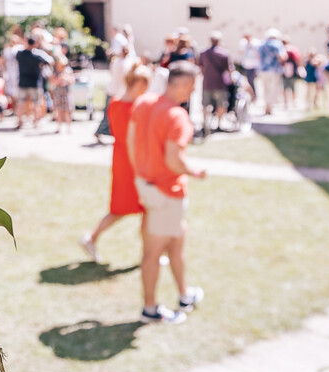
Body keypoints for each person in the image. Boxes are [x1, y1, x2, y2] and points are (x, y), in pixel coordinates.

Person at [130, 62, 207, 324]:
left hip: (149, 187)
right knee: (153, 254)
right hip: (166, 192)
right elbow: (174, 160)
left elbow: (130, 140)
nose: (192, 92)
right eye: (192, 87)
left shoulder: (144, 103)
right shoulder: (177, 116)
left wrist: (141, 173)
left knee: (177, 243)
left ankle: (184, 294)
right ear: (184, 85)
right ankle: (150, 309)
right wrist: (195, 171)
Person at [82, 65, 151, 261]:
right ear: (140, 84)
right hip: (134, 161)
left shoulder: (115, 103)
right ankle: (148, 253)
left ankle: (92, 238)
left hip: (120, 158)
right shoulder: (137, 107)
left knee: (128, 207)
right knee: (141, 207)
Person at [197, 32, 233, 135]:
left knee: (205, 104)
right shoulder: (224, 54)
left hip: (207, 82)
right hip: (219, 83)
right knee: (221, 104)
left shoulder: (203, 53)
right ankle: (219, 124)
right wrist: (231, 79)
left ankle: (204, 123)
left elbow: (200, 67)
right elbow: (228, 69)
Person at [14, 34, 52, 129]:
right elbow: (48, 61)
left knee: (20, 103)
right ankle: (36, 121)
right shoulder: (37, 56)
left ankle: (20, 121)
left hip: (22, 82)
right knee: (36, 104)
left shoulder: (20, 54)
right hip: (34, 83)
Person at [258, 29, 285, 115]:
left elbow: (258, 57)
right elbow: (282, 56)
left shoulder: (262, 44)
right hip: (274, 70)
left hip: (263, 70)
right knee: (273, 89)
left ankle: (266, 106)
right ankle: (270, 107)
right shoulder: (278, 44)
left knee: (265, 89)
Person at [48, 57, 74, 132]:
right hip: (58, 94)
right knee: (58, 111)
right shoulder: (55, 72)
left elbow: (72, 80)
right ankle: (59, 127)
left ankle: (69, 128)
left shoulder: (68, 71)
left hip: (66, 94)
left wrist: (66, 78)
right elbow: (53, 82)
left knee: (67, 111)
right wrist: (60, 79)